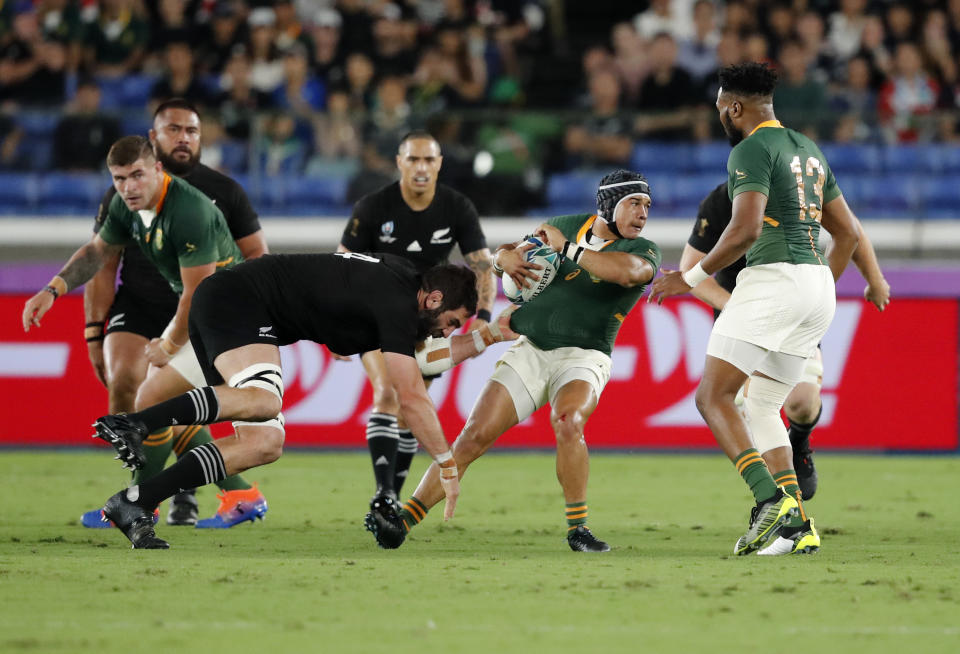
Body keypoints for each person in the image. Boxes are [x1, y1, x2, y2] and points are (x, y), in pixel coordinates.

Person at [88, 254, 488, 549]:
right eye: (452, 324)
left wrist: (487, 338)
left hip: (234, 303)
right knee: (263, 401)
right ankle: (136, 423)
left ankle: (135, 502)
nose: (446, 334)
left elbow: (421, 357)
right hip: (239, 300)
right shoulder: (397, 302)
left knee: (264, 442)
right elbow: (413, 397)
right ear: (433, 299)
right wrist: (446, 465)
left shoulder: (403, 290)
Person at [368, 169, 662, 553]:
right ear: (609, 204)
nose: (643, 213)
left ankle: (578, 528)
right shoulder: (563, 226)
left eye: (647, 206)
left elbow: (627, 274)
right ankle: (402, 522)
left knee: (569, 420)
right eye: (634, 203)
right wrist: (502, 259)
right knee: (473, 437)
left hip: (586, 355)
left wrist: (567, 250)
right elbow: (506, 253)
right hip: (531, 348)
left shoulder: (644, 250)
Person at [649, 62, 861, 556]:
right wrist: (815, 286)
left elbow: (744, 229)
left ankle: (771, 503)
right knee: (763, 406)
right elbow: (848, 234)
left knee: (713, 398)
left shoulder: (750, 148)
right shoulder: (807, 148)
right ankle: (798, 527)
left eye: (722, 109)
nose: (721, 117)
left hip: (773, 280)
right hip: (816, 285)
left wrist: (690, 278)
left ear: (735, 108)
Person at [20, 135, 246, 525]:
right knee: (156, 403)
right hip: (203, 310)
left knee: (152, 398)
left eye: (137, 176)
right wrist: (53, 288)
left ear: (158, 169)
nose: (128, 187)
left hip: (228, 315)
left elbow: (197, 293)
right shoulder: (127, 205)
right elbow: (97, 252)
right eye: (119, 178)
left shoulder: (189, 210)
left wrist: (169, 343)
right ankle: (240, 494)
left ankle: (137, 504)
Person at [81, 99, 269, 529]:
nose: (184, 137)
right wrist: (93, 329)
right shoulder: (126, 193)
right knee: (139, 394)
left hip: (202, 313)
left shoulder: (213, 197)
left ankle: (147, 501)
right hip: (147, 305)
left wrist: (176, 340)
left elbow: (252, 259)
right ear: (154, 138)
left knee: (164, 403)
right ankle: (230, 493)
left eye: (192, 130)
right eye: (173, 129)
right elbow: (102, 261)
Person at [681, 182, 890, 501]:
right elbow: (689, 268)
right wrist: (736, 306)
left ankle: (799, 448)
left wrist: (873, 280)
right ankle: (778, 503)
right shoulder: (722, 200)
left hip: (791, 312)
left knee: (802, 405)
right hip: (743, 319)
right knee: (753, 408)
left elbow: (850, 230)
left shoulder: (799, 188)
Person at [338, 130, 495, 514]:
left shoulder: (456, 207)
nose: (421, 168)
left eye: (429, 160)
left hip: (427, 323)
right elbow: (340, 264)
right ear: (399, 163)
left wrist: (484, 316)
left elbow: (482, 265)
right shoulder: (374, 206)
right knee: (388, 393)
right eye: (413, 160)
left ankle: (392, 491)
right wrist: (334, 320)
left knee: (414, 407)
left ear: (439, 163)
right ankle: (383, 494)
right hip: (375, 314)